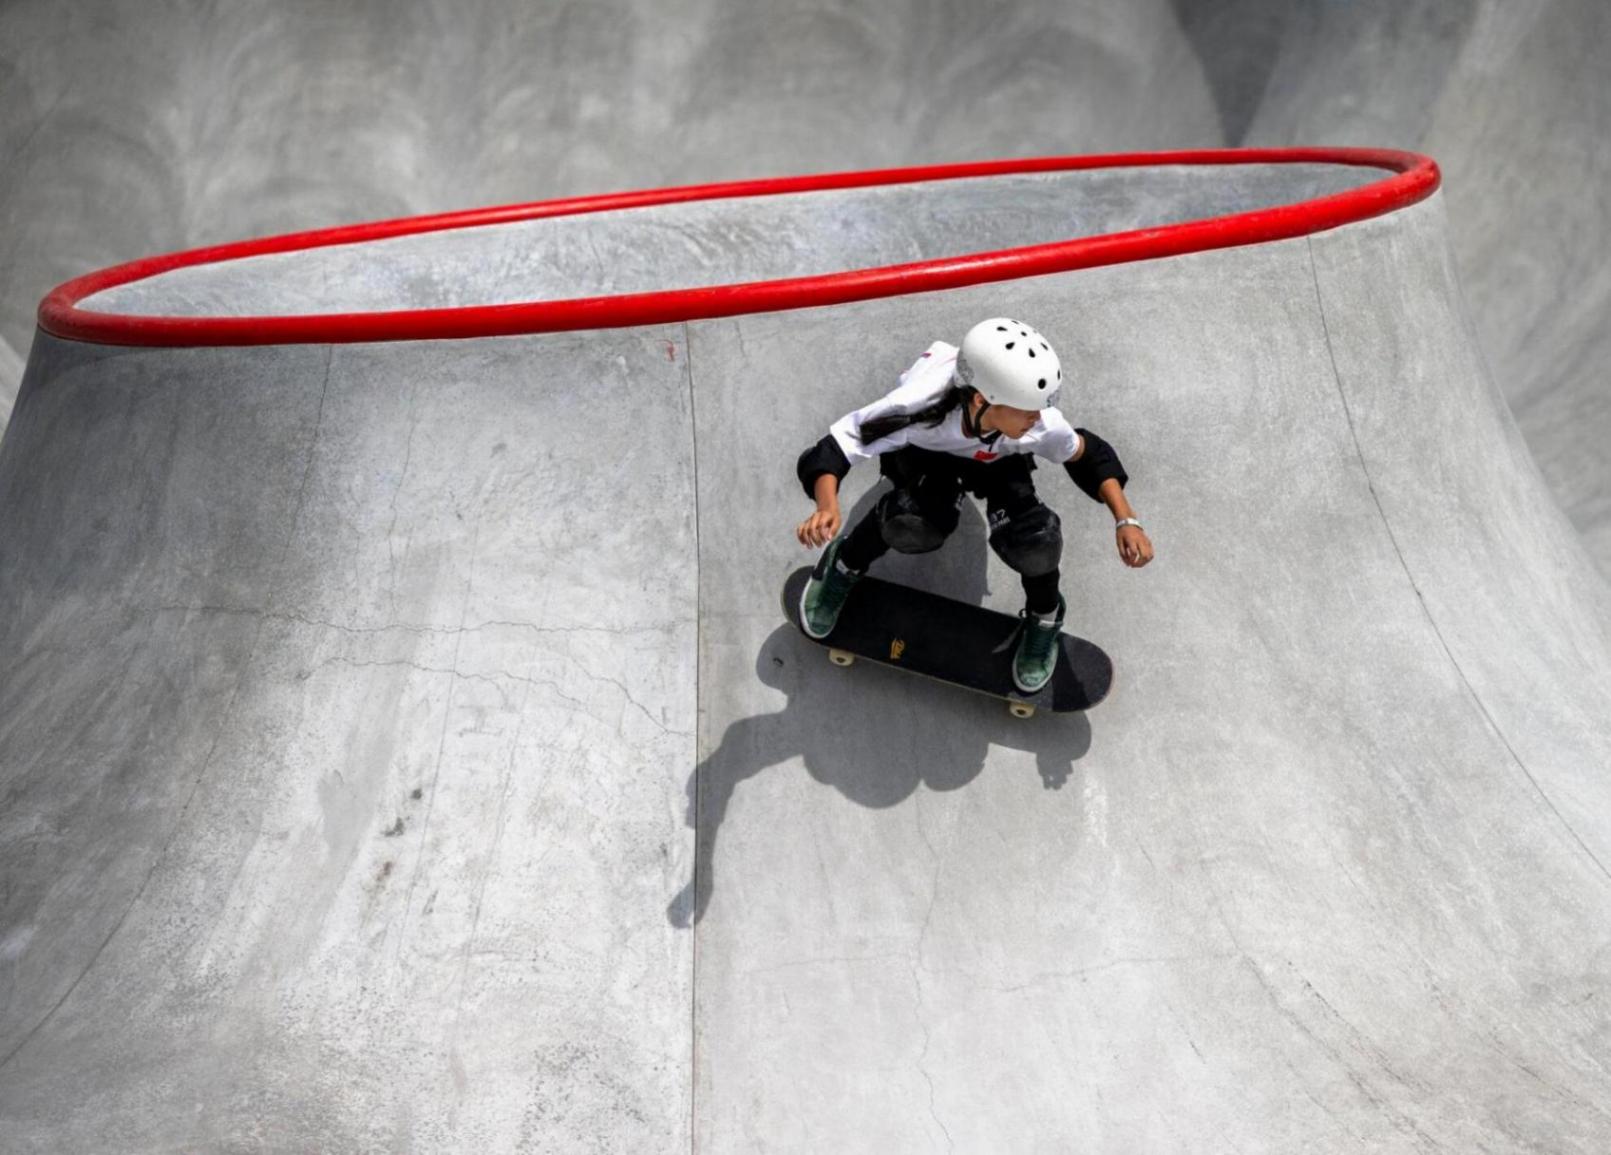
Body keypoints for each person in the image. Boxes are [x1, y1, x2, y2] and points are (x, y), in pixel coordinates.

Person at [794, 317, 1154, 693]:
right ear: (981, 401)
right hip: (930, 456)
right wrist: (827, 506)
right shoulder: (917, 408)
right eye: (1027, 410)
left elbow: (1088, 454)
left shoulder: (1036, 422)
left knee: (1036, 542)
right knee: (910, 524)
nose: (1037, 418)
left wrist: (1126, 520)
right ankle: (843, 563)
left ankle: (1045, 614)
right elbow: (836, 447)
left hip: (997, 460)